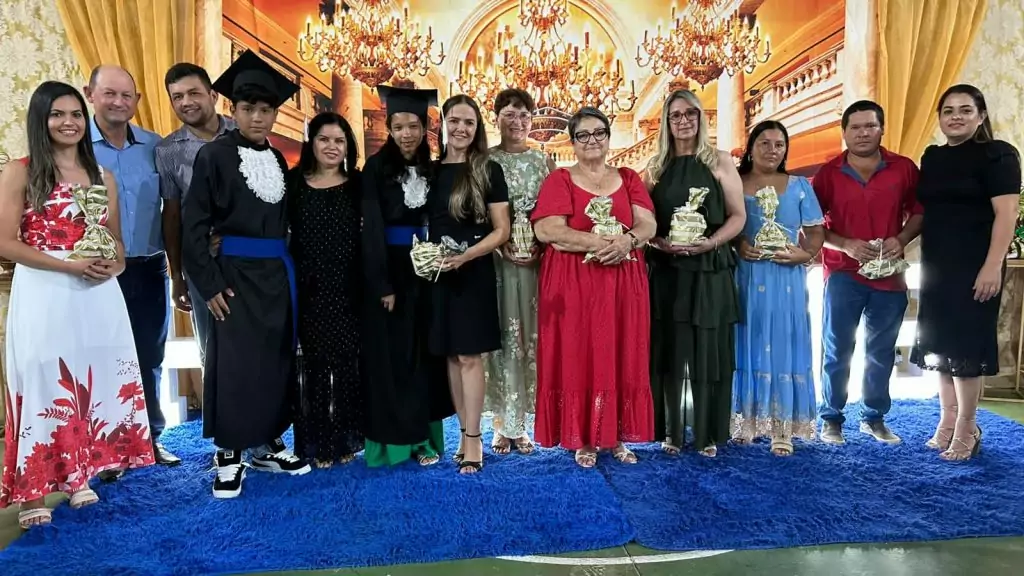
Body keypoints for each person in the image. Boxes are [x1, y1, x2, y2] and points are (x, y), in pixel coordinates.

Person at [0, 81, 155, 528]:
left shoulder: (101, 175)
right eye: (57, 115)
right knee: (44, 377)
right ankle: (33, 493)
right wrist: (68, 266)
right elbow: (5, 241)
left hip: (99, 294)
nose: (68, 122)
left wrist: (115, 265)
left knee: (94, 377)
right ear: (41, 120)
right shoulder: (21, 171)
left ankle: (79, 475)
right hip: (45, 289)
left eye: (74, 114)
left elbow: (117, 244)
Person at [182, 50, 311, 498]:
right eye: (248, 108)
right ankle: (230, 453)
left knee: (275, 359)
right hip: (233, 276)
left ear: (276, 113)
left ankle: (267, 445)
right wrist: (209, 282)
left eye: (266, 109)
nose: (257, 117)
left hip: (277, 273)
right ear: (232, 110)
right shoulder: (213, 157)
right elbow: (193, 226)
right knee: (234, 363)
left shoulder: (277, 159)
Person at [533, 106, 657, 468]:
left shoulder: (629, 177)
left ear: (608, 137)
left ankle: (615, 435)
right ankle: (583, 437)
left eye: (598, 133)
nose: (592, 141)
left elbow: (647, 224)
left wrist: (627, 242)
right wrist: (604, 243)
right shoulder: (560, 179)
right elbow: (549, 231)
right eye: (583, 135)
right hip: (574, 284)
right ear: (572, 142)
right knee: (580, 355)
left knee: (621, 352)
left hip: (622, 282)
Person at [912, 84, 1021, 461]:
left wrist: (993, 266)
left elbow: (1007, 214)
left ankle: (967, 427)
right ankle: (947, 421)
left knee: (966, 348)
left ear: (981, 115)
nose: (956, 116)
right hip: (937, 265)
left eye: (965, 109)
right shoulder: (933, 157)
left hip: (977, 264)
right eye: (948, 110)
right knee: (940, 345)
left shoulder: (998, 155)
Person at [84, 65, 178, 466]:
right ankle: (104, 449)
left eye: (127, 95)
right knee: (102, 356)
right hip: (97, 273)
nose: (119, 102)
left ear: (137, 101)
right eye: (110, 93)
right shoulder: (75, 148)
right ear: (90, 94)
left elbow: (174, 207)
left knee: (149, 356)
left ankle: (150, 438)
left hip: (149, 266)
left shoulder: (155, 148)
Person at [814, 100, 922, 445]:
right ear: (844, 132)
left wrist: (901, 237)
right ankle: (831, 418)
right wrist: (844, 244)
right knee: (837, 348)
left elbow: (920, 212)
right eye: (855, 127)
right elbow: (812, 226)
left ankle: (874, 417)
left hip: (890, 276)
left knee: (881, 350)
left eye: (870, 126)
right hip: (843, 274)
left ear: (881, 129)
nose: (863, 133)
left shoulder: (903, 168)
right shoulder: (828, 174)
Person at [645, 90, 745, 458]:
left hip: (709, 268)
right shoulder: (654, 167)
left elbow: (738, 216)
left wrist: (712, 242)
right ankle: (670, 431)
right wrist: (658, 243)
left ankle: (707, 432)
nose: (684, 120)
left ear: (701, 118)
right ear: (666, 123)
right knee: (670, 351)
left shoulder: (719, 161)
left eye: (691, 113)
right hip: (668, 271)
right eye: (676, 115)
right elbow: (642, 222)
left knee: (708, 351)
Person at [360, 86, 453, 467]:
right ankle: (397, 442)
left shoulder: (435, 169)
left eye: (413, 126)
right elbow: (371, 230)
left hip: (429, 271)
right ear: (389, 129)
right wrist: (382, 284)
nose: (406, 134)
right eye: (398, 127)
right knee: (394, 358)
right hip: (392, 272)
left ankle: (425, 440)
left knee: (426, 357)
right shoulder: (375, 170)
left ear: (423, 127)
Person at [429, 94, 511, 474]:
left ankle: (475, 439)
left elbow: (502, 231)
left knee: (469, 356)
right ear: (443, 124)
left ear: (477, 129)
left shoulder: (487, 170)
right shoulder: (430, 171)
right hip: (438, 274)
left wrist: (466, 256)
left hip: (473, 271)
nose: (461, 128)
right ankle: (462, 434)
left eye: (469, 123)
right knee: (450, 355)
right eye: (455, 121)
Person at [731, 120, 824, 456]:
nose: (772, 150)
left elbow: (815, 233)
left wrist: (805, 253)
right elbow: (727, 225)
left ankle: (783, 427)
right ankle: (747, 422)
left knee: (784, 342)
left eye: (779, 145)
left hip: (786, 277)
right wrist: (739, 244)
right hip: (747, 275)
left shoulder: (799, 185)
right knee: (748, 340)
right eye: (765, 143)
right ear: (750, 147)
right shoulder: (735, 182)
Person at [288, 112, 364, 467]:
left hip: (351, 287)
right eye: (324, 139)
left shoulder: (359, 185)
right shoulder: (293, 184)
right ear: (311, 143)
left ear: (348, 146)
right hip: (308, 288)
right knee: (314, 367)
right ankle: (314, 441)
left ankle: (347, 437)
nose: (332, 147)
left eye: (339, 140)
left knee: (347, 365)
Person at [484, 88, 555, 455]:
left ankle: (523, 424)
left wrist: (541, 245)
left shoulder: (544, 162)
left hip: (536, 264)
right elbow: (476, 212)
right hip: (496, 263)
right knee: (501, 338)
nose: (518, 122)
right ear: (496, 118)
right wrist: (499, 242)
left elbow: (555, 212)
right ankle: (501, 424)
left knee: (531, 338)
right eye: (510, 114)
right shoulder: (484, 160)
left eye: (524, 115)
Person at [156, 62, 236, 373]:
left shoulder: (242, 132)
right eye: (177, 97)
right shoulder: (167, 151)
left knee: (253, 345)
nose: (186, 102)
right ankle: (216, 420)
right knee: (212, 352)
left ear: (213, 95)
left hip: (248, 258)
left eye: (193, 93)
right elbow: (172, 216)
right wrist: (177, 275)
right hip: (202, 261)